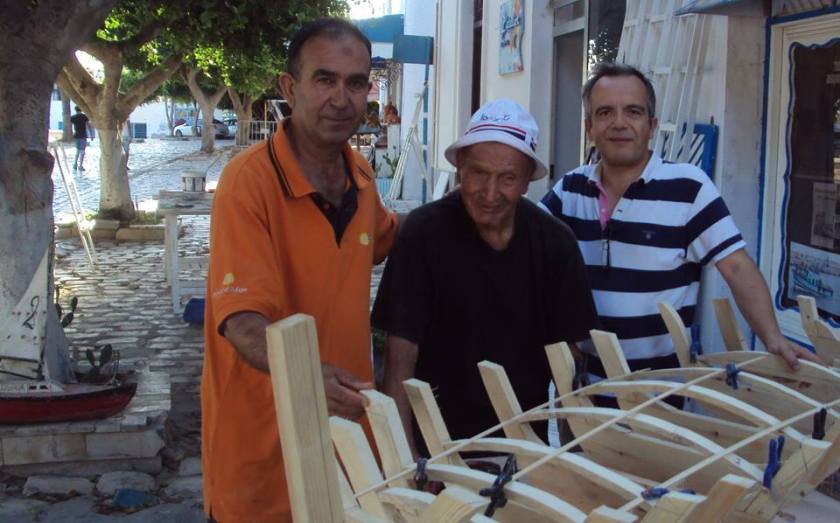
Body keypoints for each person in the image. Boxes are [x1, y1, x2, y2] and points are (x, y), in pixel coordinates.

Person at [200, 18, 398, 522]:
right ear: (290, 88)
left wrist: (476, 203)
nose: (341, 98)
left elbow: (385, 238)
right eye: (324, 79)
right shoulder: (249, 182)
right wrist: (308, 374)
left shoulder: (361, 173)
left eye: (356, 83)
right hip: (263, 458)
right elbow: (242, 323)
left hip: (347, 453)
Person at [539, 62, 822, 387]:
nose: (619, 123)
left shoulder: (689, 188)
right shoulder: (569, 190)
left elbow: (737, 268)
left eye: (633, 111)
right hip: (584, 390)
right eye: (605, 113)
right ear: (589, 127)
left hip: (661, 393)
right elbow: (530, 255)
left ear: (652, 124)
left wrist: (774, 339)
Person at [372, 99, 599, 459]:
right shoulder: (423, 233)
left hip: (523, 446)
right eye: (478, 173)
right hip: (434, 446)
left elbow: (568, 369)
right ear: (460, 167)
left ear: (527, 181)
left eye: (507, 178)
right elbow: (399, 359)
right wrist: (403, 460)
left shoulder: (555, 243)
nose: (490, 193)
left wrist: (575, 461)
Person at [70, 106, 92, 171]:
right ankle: (80, 165)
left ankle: (75, 164)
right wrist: (91, 135)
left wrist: (70, 136)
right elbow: (88, 125)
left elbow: (70, 126)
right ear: (81, 109)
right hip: (83, 135)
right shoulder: (84, 117)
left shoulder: (73, 117)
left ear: (75, 110)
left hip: (76, 135)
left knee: (77, 150)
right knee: (82, 151)